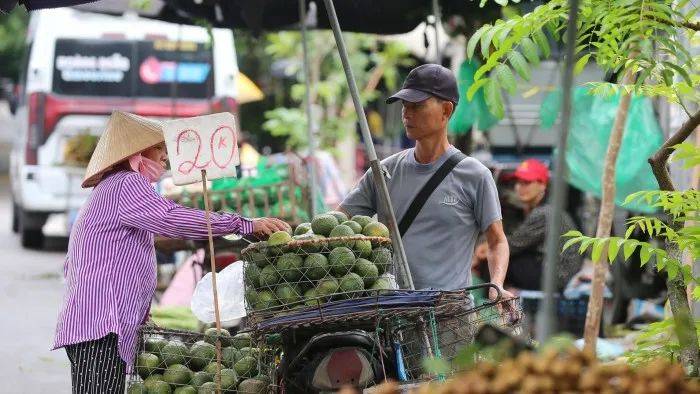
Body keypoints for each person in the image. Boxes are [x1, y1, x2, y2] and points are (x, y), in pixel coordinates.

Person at [51, 111, 289, 393]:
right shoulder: (127, 183)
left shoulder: (114, 188)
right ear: (139, 151)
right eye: (160, 147)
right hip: (102, 325)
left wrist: (140, 314)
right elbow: (171, 218)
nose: (166, 155)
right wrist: (242, 224)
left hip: (96, 322)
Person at [340, 64, 512, 302]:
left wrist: (497, 285)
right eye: (404, 106)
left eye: (417, 105)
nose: (407, 114)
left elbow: (497, 241)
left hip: (449, 312)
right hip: (393, 310)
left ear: (446, 110)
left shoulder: (475, 175)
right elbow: (338, 222)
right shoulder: (384, 171)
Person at [503, 159, 582, 292]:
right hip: (553, 271)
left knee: (498, 257)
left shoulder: (544, 213)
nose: (519, 187)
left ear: (542, 185)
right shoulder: (546, 209)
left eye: (526, 183)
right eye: (518, 182)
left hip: (555, 277)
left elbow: (512, 245)